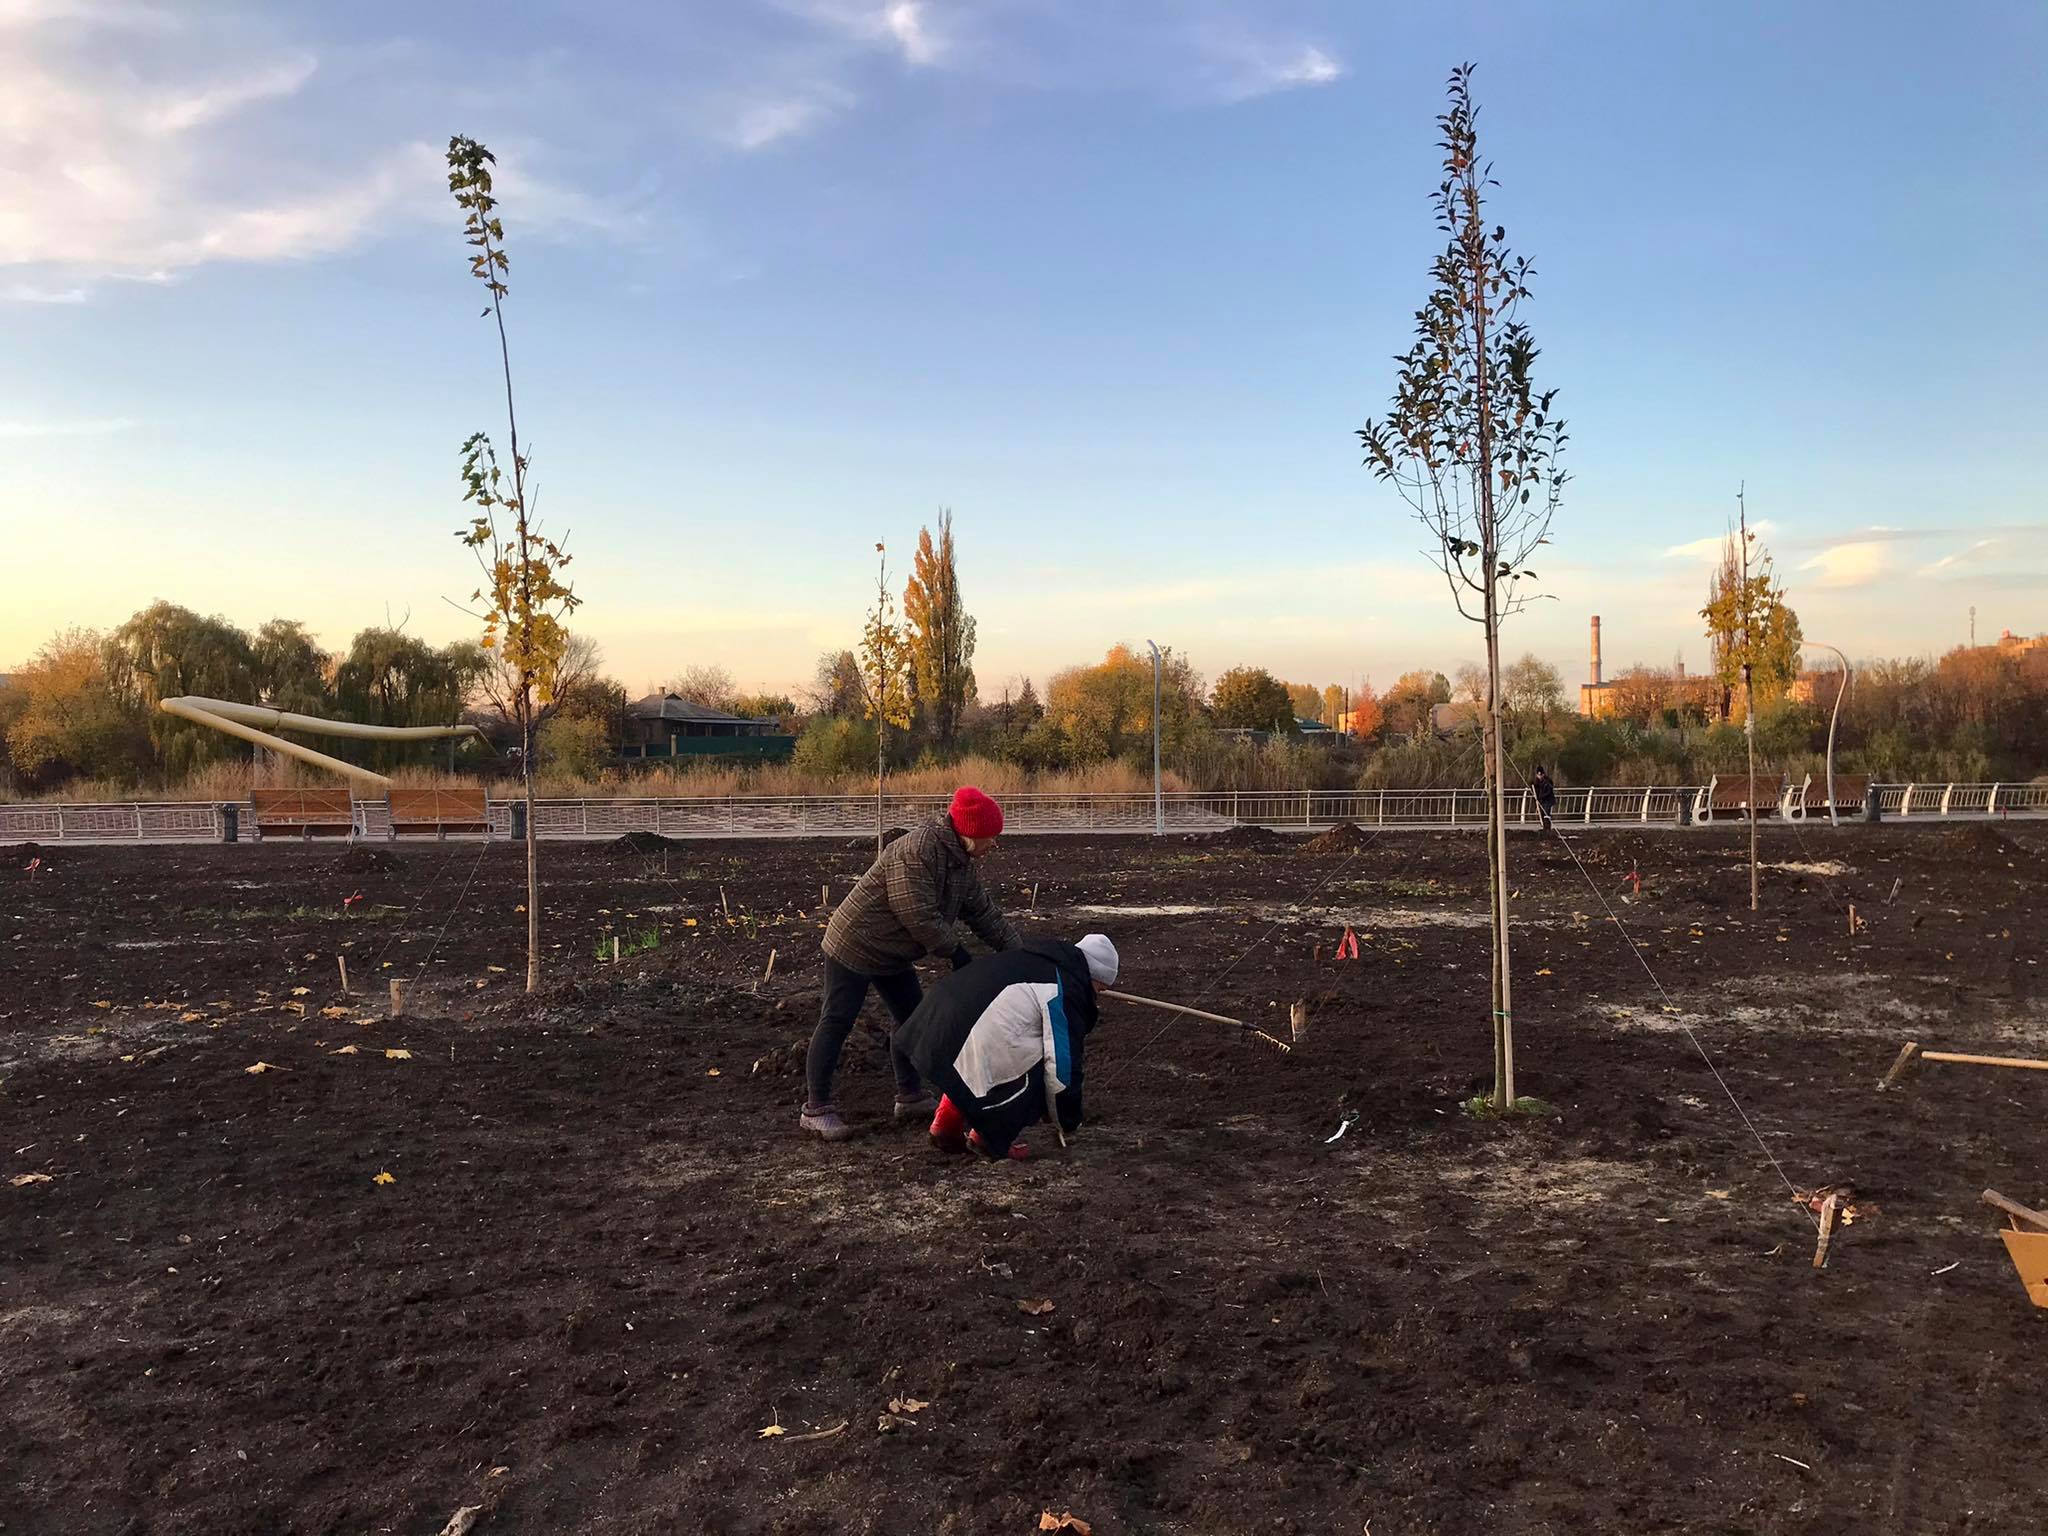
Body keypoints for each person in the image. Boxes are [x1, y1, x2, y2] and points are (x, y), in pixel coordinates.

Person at [800, 786, 1022, 1141]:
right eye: (991, 837)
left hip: (892, 953)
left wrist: (1018, 954)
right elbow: (917, 914)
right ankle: (816, 1108)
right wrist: (957, 953)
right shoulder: (917, 850)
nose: (994, 844)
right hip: (855, 943)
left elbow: (983, 912)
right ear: (970, 832)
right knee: (838, 1020)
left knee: (912, 1021)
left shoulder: (960, 864)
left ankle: (909, 1095)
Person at [893, 933, 1119, 1162]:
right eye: (1099, 989)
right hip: (971, 1034)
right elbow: (1062, 1063)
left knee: (977, 1057)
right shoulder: (1065, 987)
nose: (1097, 996)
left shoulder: (1029, 958)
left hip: (935, 1021)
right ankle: (989, 1139)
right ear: (1094, 976)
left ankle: (945, 1124)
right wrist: (1067, 1118)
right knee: (1040, 1066)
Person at [1531, 765, 1557, 831]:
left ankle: (1548, 828)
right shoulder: (1536, 782)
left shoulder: (1547, 781)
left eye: (1540, 775)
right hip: (1541, 800)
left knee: (1546, 813)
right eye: (1538, 775)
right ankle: (1544, 828)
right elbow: (1536, 789)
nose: (1539, 776)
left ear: (1543, 774)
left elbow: (1549, 791)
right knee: (1542, 813)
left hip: (1548, 800)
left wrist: (1541, 796)